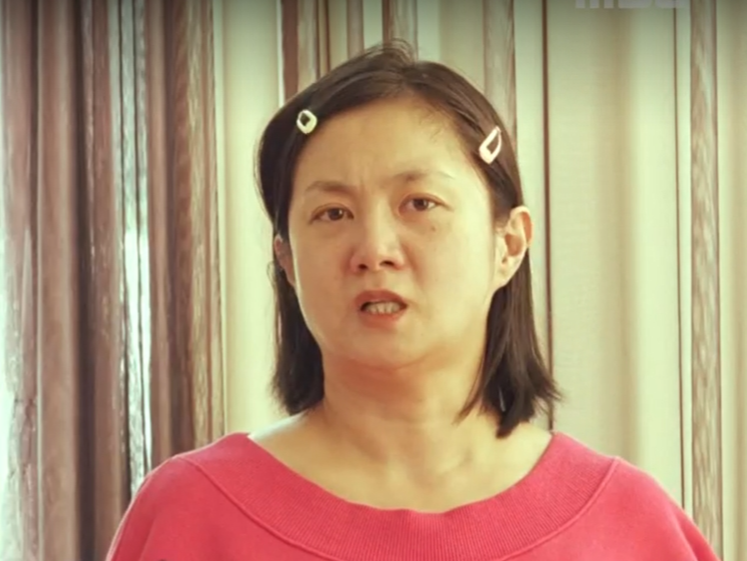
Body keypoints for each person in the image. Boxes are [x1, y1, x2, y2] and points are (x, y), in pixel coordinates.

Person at [106, 41, 719, 560]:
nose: (374, 250)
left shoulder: (629, 525)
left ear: (508, 244)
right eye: (332, 213)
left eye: (420, 203)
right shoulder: (191, 513)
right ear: (287, 261)